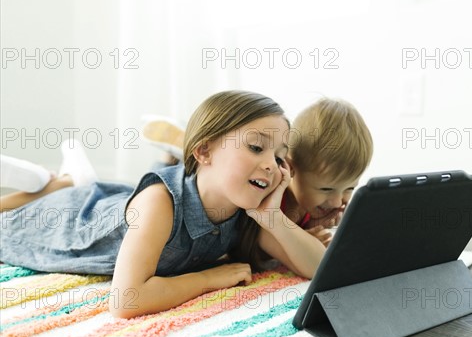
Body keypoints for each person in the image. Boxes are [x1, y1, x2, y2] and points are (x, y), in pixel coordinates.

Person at [0, 90, 326, 318]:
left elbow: (318, 269)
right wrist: (209, 279)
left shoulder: (247, 209)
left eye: (279, 156)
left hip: (111, 201)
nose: (271, 164)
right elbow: (126, 301)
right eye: (257, 147)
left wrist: (273, 218)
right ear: (203, 151)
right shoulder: (160, 201)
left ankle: (68, 181)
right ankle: (58, 186)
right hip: (72, 222)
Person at [141, 98, 374, 260]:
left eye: (350, 188)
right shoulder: (269, 196)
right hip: (190, 179)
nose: (337, 202)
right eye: (326, 189)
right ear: (289, 167)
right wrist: (303, 237)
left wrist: (315, 227)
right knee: (187, 175)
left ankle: (179, 150)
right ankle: (180, 145)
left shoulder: (321, 204)